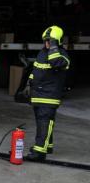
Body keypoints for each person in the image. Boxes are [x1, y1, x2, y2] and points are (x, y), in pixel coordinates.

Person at [27, 25, 70, 161]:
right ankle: (47, 146)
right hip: (38, 94)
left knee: (45, 122)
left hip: (50, 96)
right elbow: (36, 70)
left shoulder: (62, 55)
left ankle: (40, 152)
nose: (46, 43)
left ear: (56, 42)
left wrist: (53, 47)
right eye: (46, 40)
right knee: (42, 122)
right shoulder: (42, 53)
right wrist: (29, 84)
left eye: (50, 41)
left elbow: (55, 62)